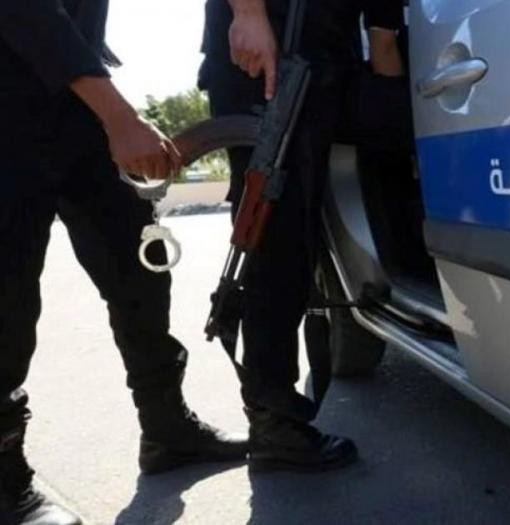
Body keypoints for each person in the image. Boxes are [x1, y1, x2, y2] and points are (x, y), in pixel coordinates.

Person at [0, 2, 248, 523]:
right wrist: (120, 116)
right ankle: (4, 486)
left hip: (74, 110)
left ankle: (167, 429)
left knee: (140, 266)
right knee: (8, 298)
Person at [198, 0, 404, 472]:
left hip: (325, 68)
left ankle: (273, 412)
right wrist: (248, 14)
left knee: (293, 242)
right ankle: (273, 421)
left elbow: (384, 40)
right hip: (268, 53)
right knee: (275, 239)